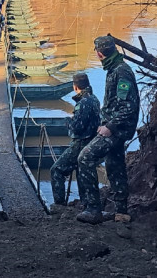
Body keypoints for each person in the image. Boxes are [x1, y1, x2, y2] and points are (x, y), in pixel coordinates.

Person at [77, 36, 139, 225]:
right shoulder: (115, 69)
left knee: (85, 157)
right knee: (115, 165)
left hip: (118, 128)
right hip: (114, 126)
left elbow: (127, 107)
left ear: (100, 53)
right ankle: (121, 211)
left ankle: (93, 209)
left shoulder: (121, 72)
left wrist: (109, 127)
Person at [50, 73, 101, 211]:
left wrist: (68, 122)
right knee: (82, 172)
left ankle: (59, 205)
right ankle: (86, 203)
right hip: (92, 141)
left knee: (57, 170)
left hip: (81, 142)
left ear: (75, 87)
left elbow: (77, 128)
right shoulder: (94, 99)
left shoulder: (83, 102)